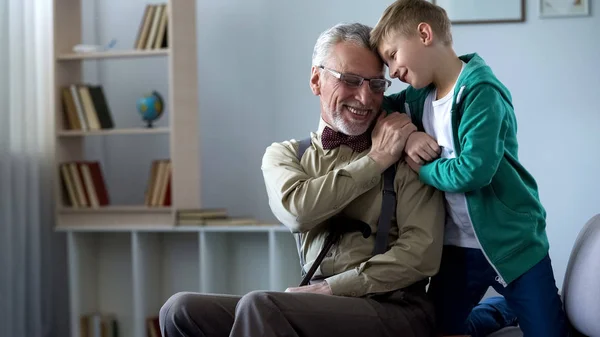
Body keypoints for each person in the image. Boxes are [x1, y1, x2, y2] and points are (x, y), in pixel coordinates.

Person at [159, 22, 447, 337]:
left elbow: (422, 253)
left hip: (396, 309)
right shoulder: (285, 155)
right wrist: (375, 161)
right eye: (350, 80)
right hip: (317, 305)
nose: (365, 98)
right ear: (315, 80)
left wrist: (334, 288)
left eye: (377, 85)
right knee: (180, 309)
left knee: (262, 306)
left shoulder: (408, 151)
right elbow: (297, 212)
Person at [370, 0, 569, 336]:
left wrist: (423, 171)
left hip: (515, 246)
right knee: (439, 329)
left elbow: (473, 170)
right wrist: (410, 137)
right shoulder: (418, 98)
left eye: (392, 55)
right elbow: (378, 109)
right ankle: (500, 310)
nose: (393, 72)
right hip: (457, 250)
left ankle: (517, 305)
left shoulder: (481, 91)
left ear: (424, 34)